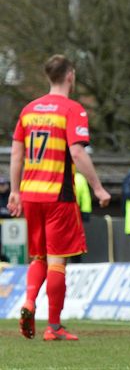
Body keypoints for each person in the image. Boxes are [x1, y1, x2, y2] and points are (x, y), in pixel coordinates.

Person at [8, 54, 111, 341]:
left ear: (47, 77)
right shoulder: (72, 109)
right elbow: (77, 152)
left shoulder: (28, 110)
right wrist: (98, 188)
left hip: (30, 193)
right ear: (70, 76)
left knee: (38, 255)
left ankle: (29, 301)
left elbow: (17, 153)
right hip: (57, 194)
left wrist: (15, 190)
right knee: (57, 260)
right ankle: (53, 326)